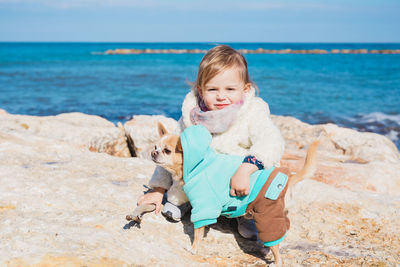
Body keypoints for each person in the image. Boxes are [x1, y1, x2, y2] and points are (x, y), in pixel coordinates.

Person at [137, 44, 285, 240]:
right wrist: (158, 189)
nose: (221, 96)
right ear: (200, 90)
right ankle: (188, 199)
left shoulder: (252, 113)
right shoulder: (192, 116)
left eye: (230, 89)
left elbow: (271, 141)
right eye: (212, 89)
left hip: (237, 184)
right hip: (200, 181)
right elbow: (170, 152)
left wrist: (248, 167)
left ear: (245, 88)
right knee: (184, 178)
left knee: (253, 187)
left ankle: (245, 212)